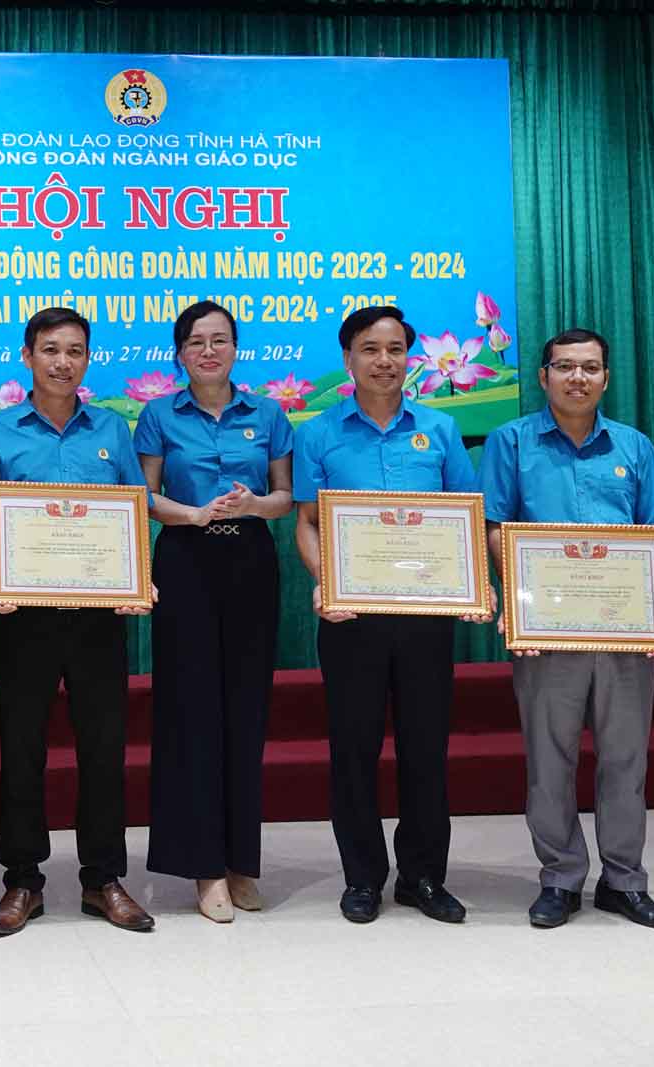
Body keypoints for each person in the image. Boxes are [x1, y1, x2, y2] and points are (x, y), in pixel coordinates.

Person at [481, 328, 654, 931]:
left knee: (627, 761)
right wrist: (520, 605)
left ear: (605, 378)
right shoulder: (510, 442)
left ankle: (624, 881)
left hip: (623, 632)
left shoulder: (634, 447)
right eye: (565, 367)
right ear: (543, 376)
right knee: (550, 762)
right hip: (546, 632)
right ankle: (561, 878)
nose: (578, 378)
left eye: (590, 368)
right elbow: (497, 527)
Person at [292, 305, 491, 925]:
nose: (385, 361)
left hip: (425, 617)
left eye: (396, 350)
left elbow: (466, 515)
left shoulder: (440, 428)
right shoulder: (318, 433)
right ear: (348, 359)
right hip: (351, 620)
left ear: (411, 357)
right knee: (353, 748)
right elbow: (307, 524)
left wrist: (475, 587)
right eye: (370, 350)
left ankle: (424, 877)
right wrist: (329, 582)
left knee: (425, 748)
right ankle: (362, 878)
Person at [0, 307, 157, 936]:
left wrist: (139, 579)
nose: (62, 362)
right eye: (50, 349)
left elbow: (132, 511)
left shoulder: (111, 428)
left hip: (100, 618)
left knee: (103, 751)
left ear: (87, 359)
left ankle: (103, 879)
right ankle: (22, 881)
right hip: (25, 617)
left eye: (75, 350)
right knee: (22, 751)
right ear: (27, 356)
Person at [133, 301, 293, 922]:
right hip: (186, 562)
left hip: (251, 562)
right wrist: (194, 514)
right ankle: (203, 868)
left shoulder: (269, 414)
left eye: (220, 340)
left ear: (235, 349)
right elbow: (143, 496)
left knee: (246, 712)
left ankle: (241, 863)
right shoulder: (157, 415)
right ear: (179, 354)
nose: (208, 350)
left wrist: (255, 505)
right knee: (191, 713)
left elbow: (285, 496)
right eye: (196, 342)